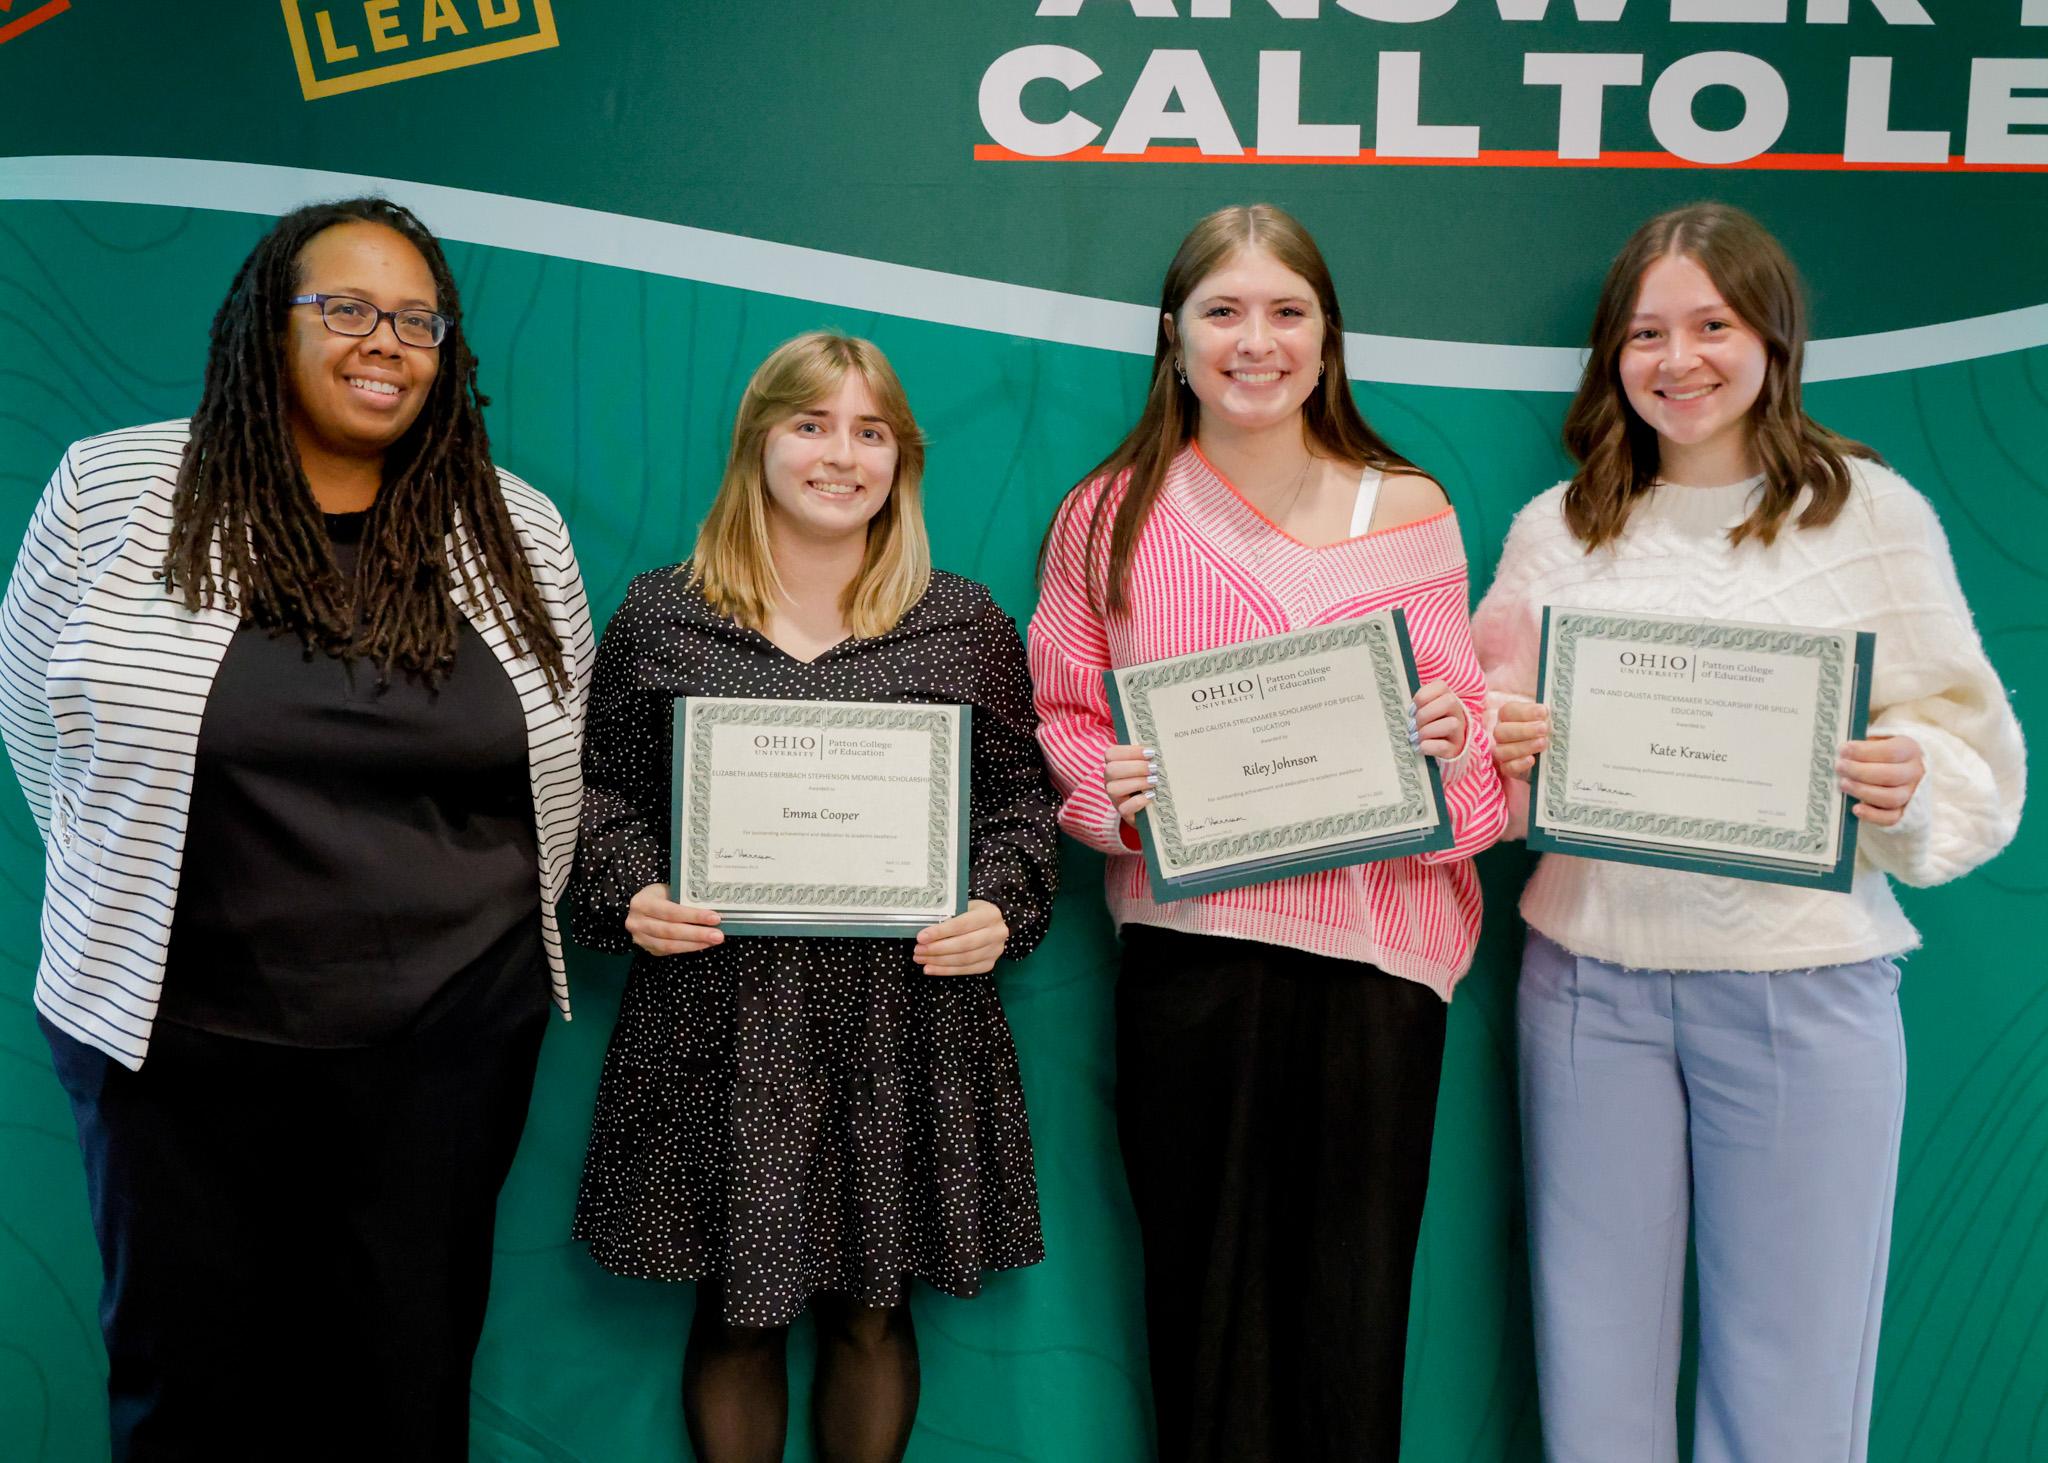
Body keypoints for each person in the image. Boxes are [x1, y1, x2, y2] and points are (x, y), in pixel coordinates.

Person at [0, 197, 593, 1460]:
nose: (386, 342)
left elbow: (555, 772)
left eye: (418, 321)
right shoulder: (115, 489)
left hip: (445, 1055)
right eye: (348, 308)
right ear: (268, 325)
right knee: (187, 1394)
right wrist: (131, 895)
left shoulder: (517, 525)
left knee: (404, 1389)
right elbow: (40, 732)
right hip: (175, 1049)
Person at [1471, 202, 2026, 1463]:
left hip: (1802, 988)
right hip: (1586, 987)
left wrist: (1907, 779)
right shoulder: (1557, 528)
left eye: (1710, 325)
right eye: (1644, 333)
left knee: (1793, 1376)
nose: (1677, 360)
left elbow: (1966, 746)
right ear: (1611, 354)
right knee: (1592, 1365)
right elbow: (1484, 739)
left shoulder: (1868, 513)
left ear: (1772, 336)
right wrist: (1500, 747)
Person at [1027, 203, 1509, 1463]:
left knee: (1350, 1315)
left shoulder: (1409, 508)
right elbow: (1065, 716)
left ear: (1326, 335)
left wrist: (1448, 736)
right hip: (1192, 953)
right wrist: (1110, 791)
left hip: (1377, 965)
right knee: (1204, 1310)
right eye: (1223, 311)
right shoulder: (1107, 514)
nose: (1256, 341)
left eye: (1286, 310)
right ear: (1172, 336)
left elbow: (1465, 730)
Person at [567, 330, 1059, 1463]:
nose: (841, 455)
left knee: (872, 1309)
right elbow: (598, 794)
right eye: (811, 424)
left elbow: (1020, 809)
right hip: (720, 1014)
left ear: (901, 460)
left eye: (870, 431)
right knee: (736, 1310)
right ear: (758, 441)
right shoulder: (662, 615)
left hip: (903, 1016)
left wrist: (997, 903)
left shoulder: (963, 622)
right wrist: (632, 886)